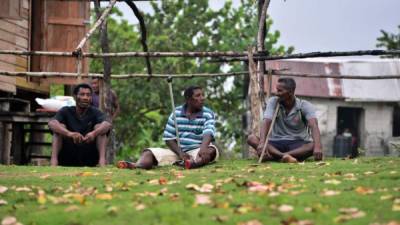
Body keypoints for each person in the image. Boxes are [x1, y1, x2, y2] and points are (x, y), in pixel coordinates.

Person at [117, 86, 219, 170]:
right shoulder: (176, 113)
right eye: (198, 95)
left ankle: (192, 164)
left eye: (202, 95)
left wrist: (203, 148)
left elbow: (208, 132)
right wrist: (180, 153)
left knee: (211, 150)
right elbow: (169, 138)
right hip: (178, 153)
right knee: (148, 153)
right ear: (189, 100)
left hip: (198, 150)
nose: (202, 98)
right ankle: (136, 165)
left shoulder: (207, 113)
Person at [247, 77, 323, 163]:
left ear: (290, 92)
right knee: (251, 138)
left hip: (297, 143)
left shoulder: (304, 105)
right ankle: (284, 157)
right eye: (277, 90)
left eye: (280, 91)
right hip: (275, 143)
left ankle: (275, 157)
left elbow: (314, 125)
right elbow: (266, 121)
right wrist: (261, 143)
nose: (276, 93)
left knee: (314, 145)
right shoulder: (273, 102)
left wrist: (318, 147)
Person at [48, 83, 112, 167]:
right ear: (75, 96)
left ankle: (102, 163)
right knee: (59, 128)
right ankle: (53, 164)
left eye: (88, 95)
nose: (85, 98)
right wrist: (69, 134)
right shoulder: (66, 111)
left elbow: (107, 124)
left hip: (90, 158)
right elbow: (51, 123)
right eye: (82, 94)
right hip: (67, 157)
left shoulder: (96, 112)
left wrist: (94, 133)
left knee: (100, 128)